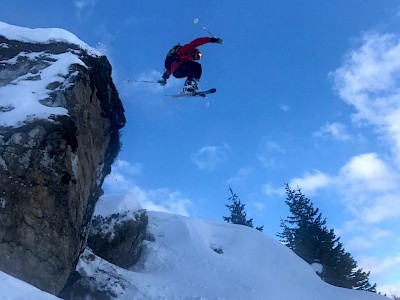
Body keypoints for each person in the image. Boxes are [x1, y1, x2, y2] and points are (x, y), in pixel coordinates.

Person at [158, 36, 223, 93]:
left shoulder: (188, 60)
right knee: (196, 66)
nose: (197, 58)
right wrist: (212, 40)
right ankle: (188, 87)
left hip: (178, 73)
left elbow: (169, 70)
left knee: (197, 68)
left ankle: (191, 87)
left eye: (199, 57)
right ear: (195, 51)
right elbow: (198, 41)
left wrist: (164, 79)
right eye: (198, 55)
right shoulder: (185, 50)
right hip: (179, 69)